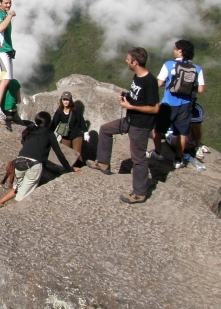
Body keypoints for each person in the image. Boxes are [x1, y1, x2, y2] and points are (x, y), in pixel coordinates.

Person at [86, 47, 159, 204]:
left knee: (138, 158)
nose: (126, 61)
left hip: (140, 125)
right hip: (129, 120)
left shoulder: (149, 81)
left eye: (128, 59)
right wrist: (127, 97)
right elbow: (138, 97)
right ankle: (103, 163)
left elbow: (155, 108)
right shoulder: (137, 77)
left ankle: (140, 193)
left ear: (135, 62)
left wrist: (131, 107)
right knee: (105, 129)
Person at [0, 111, 75, 207]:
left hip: (19, 162)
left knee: (18, 188)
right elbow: (59, 154)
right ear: (49, 123)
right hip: (33, 165)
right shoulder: (49, 133)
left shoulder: (30, 130)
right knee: (21, 197)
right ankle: (14, 215)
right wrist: (70, 169)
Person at [149, 39, 205, 169]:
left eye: (175, 48)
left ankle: (158, 152)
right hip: (185, 105)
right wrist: (189, 88)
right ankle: (178, 160)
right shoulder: (197, 68)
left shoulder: (169, 65)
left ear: (180, 51)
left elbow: (159, 83)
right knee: (182, 133)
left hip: (168, 104)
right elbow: (201, 90)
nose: (173, 50)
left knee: (156, 129)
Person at [50, 91, 87, 168]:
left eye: (67, 100)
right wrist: (49, 133)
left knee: (77, 154)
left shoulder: (75, 110)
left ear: (70, 100)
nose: (66, 102)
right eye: (64, 100)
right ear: (61, 100)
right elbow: (54, 123)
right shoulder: (59, 111)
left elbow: (81, 121)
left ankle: (79, 169)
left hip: (77, 134)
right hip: (66, 135)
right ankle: (68, 169)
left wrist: (86, 133)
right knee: (66, 154)